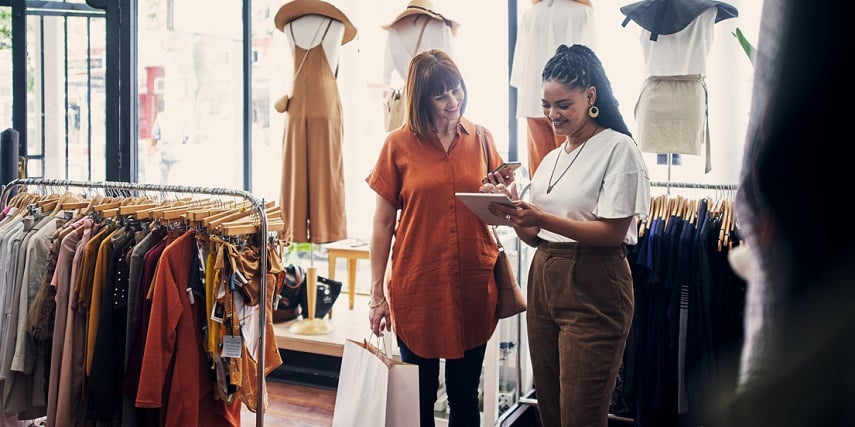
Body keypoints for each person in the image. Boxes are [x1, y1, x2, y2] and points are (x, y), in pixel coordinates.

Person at [485, 44, 650, 427]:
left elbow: (612, 233)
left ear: (590, 96)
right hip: (544, 279)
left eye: (563, 104)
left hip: (594, 285)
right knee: (553, 414)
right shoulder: (552, 158)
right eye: (546, 104)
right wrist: (511, 210)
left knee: (581, 417)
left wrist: (541, 216)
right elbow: (534, 234)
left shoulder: (618, 149)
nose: (552, 115)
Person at [365, 49, 505, 427]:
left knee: (464, 398)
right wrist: (376, 296)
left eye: (456, 90)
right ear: (420, 98)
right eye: (440, 95)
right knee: (419, 402)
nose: (452, 102)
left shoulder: (481, 139)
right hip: (418, 287)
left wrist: (504, 194)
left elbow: (501, 208)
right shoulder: (397, 145)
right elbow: (381, 225)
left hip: (473, 285)